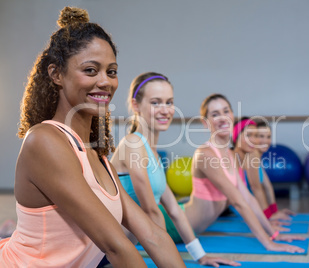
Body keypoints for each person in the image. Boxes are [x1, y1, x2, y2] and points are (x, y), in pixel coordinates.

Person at [0, 7, 185, 268]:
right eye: (90, 70)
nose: (105, 82)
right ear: (56, 74)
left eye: (111, 71)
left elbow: (154, 236)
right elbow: (116, 247)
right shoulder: (44, 140)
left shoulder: (99, 157)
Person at [111, 72, 239, 267]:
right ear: (136, 105)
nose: (165, 110)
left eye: (169, 102)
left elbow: (174, 210)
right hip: (101, 253)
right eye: (155, 103)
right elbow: (151, 212)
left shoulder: (152, 152)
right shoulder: (133, 144)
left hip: (120, 251)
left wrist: (200, 256)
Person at [183, 94, 305, 253]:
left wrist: (274, 234)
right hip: (176, 226)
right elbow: (238, 202)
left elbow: (248, 197)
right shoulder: (205, 154)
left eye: (226, 111)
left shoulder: (229, 154)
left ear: (232, 115)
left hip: (192, 226)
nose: (222, 117)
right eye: (215, 114)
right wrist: (269, 244)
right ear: (205, 123)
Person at [232, 117, 295, 221]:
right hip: (239, 209)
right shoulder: (252, 155)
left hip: (249, 206)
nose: (265, 141)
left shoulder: (256, 157)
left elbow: (267, 187)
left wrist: (274, 211)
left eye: (268, 137)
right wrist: (269, 216)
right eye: (260, 136)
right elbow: (256, 188)